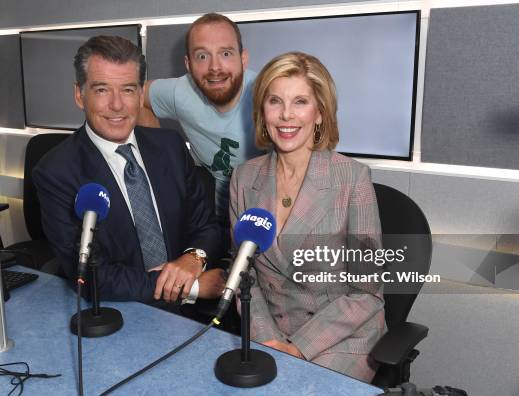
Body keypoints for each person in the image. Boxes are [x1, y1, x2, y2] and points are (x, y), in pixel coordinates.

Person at [34, 36, 225, 306]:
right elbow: (91, 275)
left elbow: (206, 226)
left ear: (140, 93)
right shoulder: (56, 172)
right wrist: (190, 287)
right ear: (80, 95)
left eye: (127, 89)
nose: (117, 105)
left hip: (190, 316)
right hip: (120, 313)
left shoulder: (170, 146)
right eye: (102, 90)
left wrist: (194, 258)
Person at [229, 52, 385, 382]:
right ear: (262, 111)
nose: (286, 115)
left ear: (319, 113)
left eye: (300, 101)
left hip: (340, 337)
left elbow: (366, 293)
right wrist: (267, 339)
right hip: (270, 332)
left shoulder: (352, 178)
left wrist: (298, 347)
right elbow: (246, 277)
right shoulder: (243, 178)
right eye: (275, 101)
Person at [140, 13, 262, 222]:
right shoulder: (182, 92)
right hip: (216, 218)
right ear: (188, 64)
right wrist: (160, 157)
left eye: (225, 53)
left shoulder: (266, 94)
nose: (215, 67)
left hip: (265, 216)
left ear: (243, 59)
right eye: (202, 56)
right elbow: (136, 96)